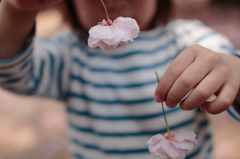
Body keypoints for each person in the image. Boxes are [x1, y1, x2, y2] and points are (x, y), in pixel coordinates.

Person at [0, 0, 240, 158]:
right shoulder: (70, 54)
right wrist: (19, 9)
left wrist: (233, 71)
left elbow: (227, 74)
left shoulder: (191, 39)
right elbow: (12, 70)